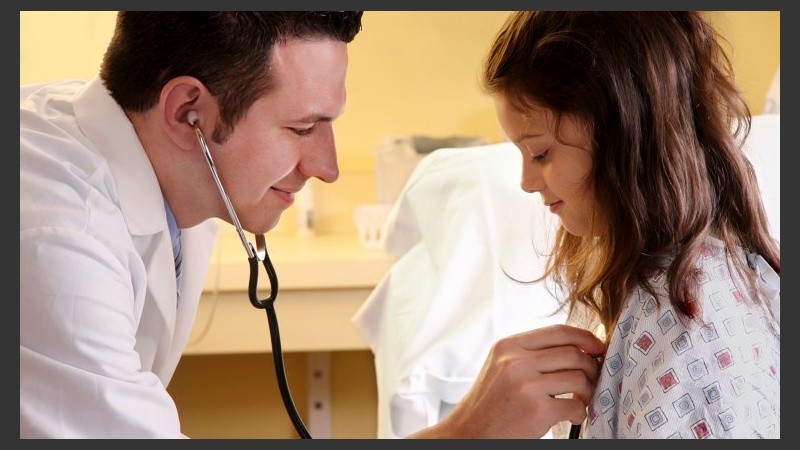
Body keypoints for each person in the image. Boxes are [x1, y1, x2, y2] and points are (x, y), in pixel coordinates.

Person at [20, 11, 605, 439]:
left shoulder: (161, 160)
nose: (327, 167)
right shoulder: (54, 241)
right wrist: (466, 434)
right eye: (302, 129)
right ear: (186, 112)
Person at [482, 11, 780, 438]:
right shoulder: (672, 284)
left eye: (540, 153)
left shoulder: (687, 324)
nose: (527, 182)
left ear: (621, 132)